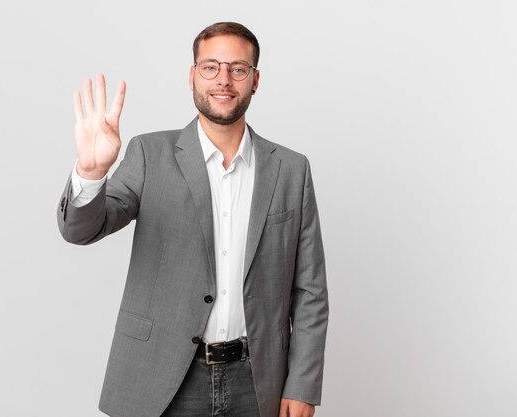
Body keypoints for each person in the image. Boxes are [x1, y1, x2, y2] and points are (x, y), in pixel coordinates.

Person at [57, 22, 328, 417]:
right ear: (192, 76)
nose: (224, 80)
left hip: (257, 382)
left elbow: (310, 291)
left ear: (255, 80)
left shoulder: (291, 169)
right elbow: (81, 230)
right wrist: (91, 172)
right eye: (211, 67)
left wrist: (303, 384)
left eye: (238, 69)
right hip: (162, 377)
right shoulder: (150, 154)